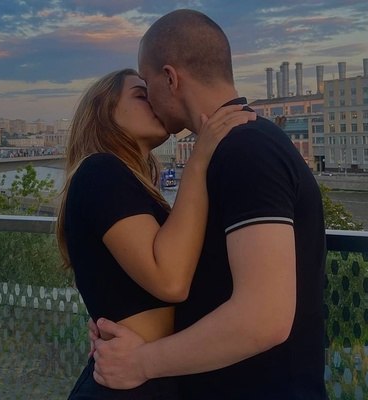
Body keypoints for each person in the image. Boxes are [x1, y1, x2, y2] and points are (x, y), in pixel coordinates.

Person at [91, 9, 327, 400]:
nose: (148, 97)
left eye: (147, 84)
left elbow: (264, 317)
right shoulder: (226, 149)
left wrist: (141, 362)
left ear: (170, 78)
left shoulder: (246, 149)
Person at [56, 68, 255, 399]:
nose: (154, 100)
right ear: (104, 111)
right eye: (141, 94)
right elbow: (171, 280)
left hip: (142, 376)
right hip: (128, 384)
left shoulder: (125, 183)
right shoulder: (101, 171)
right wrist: (199, 160)